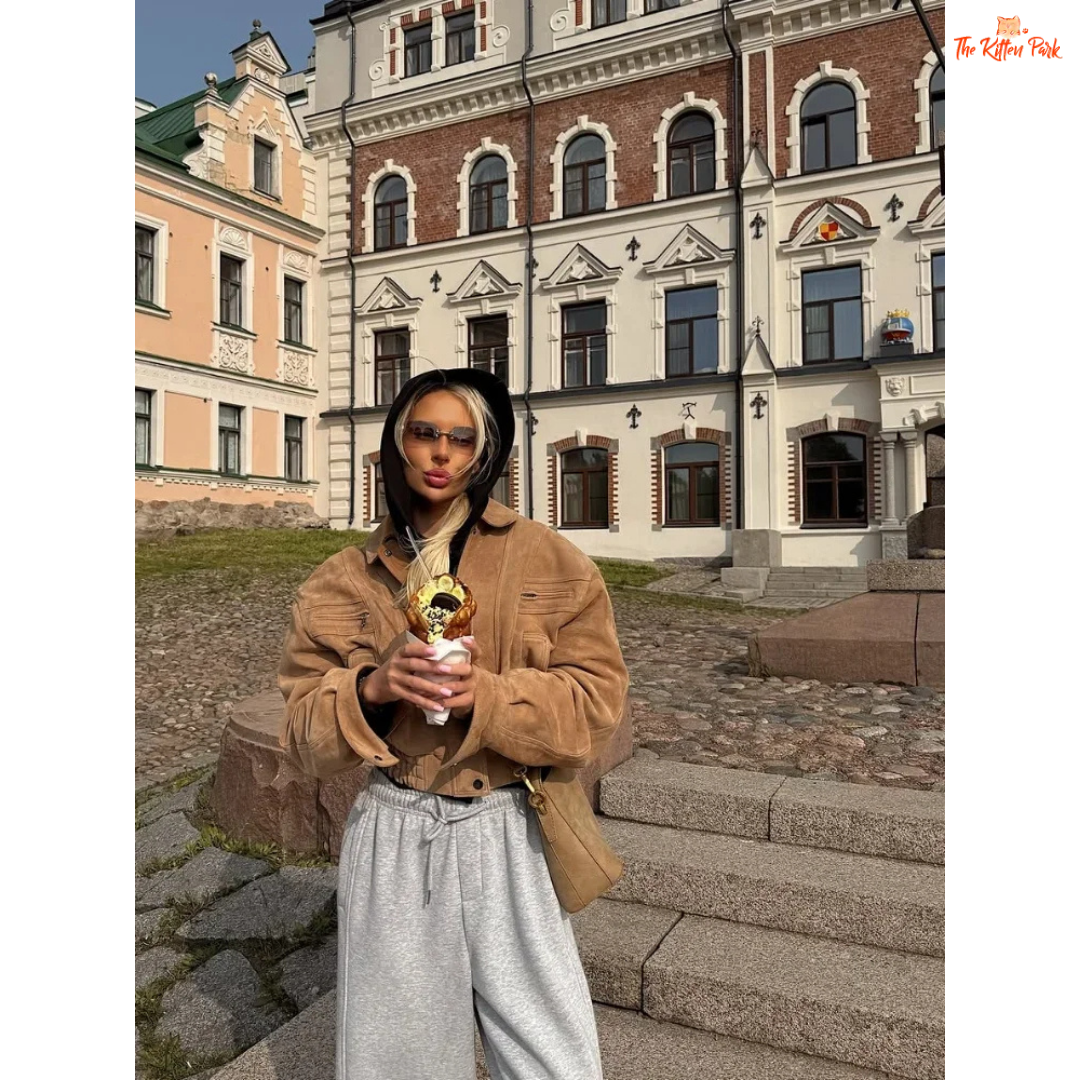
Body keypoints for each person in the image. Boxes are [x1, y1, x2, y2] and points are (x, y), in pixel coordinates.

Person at [278, 367, 630, 1080]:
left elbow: (595, 705)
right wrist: (373, 688)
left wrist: (488, 696)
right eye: (424, 433)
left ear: (484, 452)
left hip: (511, 824)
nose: (442, 453)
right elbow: (301, 735)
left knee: (550, 1053)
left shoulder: (546, 557)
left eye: (461, 439)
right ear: (397, 445)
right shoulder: (344, 578)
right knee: (397, 1057)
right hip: (396, 829)